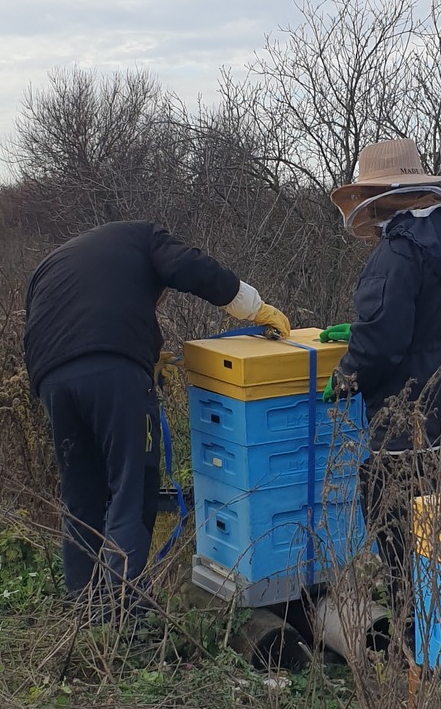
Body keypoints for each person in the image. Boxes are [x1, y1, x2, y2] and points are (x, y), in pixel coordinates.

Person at [24, 221, 289, 610]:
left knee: (82, 493)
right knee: (133, 488)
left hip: (52, 380)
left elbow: (71, 320)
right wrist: (252, 305)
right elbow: (191, 266)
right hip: (114, 373)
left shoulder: (59, 260)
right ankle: (119, 610)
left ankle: (82, 604)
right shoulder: (146, 238)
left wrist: (141, 359)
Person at [328, 140, 441, 649]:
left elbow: (379, 342)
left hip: (407, 431)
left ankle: (413, 654)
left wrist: (344, 378)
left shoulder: (398, 249)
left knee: (401, 547)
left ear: (378, 198)